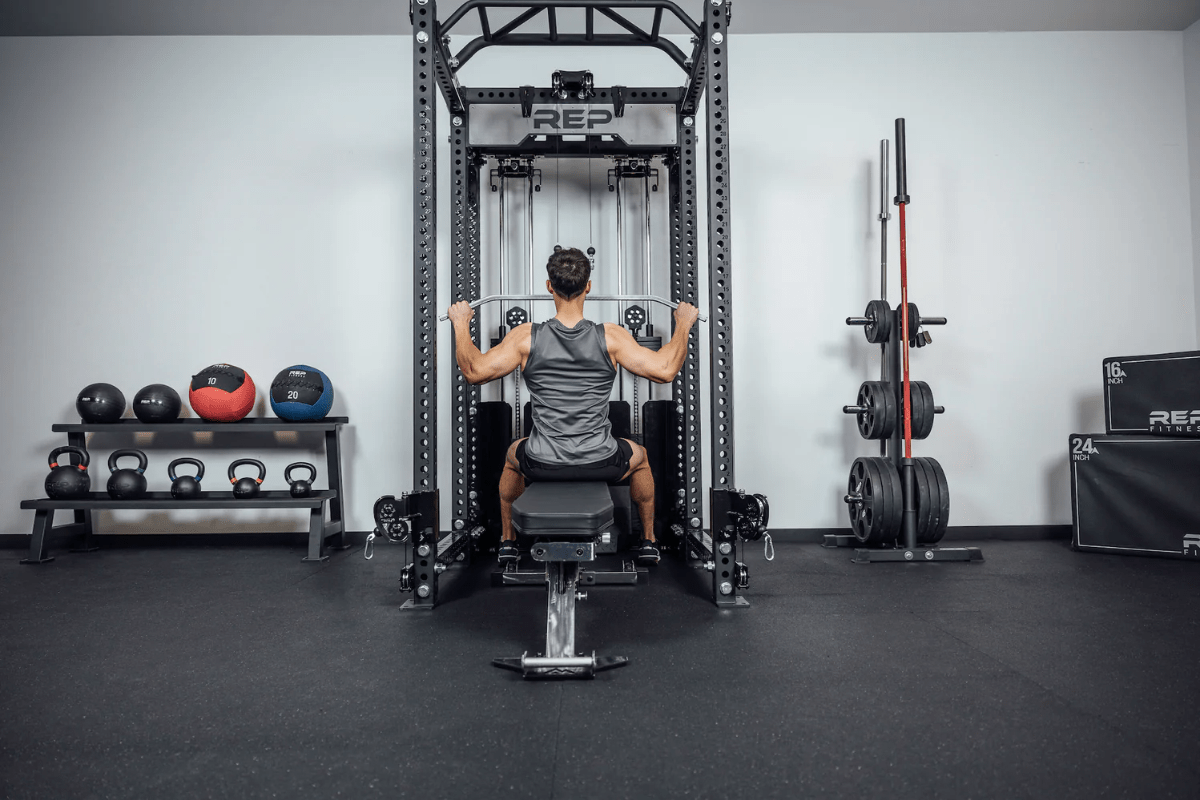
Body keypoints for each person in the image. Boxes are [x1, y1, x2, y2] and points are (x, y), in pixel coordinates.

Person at [447, 246, 700, 566]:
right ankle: (648, 539)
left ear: (549, 286)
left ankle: (508, 541)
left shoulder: (526, 337)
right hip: (601, 458)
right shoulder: (612, 337)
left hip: (541, 461)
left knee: (513, 455)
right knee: (641, 458)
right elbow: (665, 371)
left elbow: (474, 371)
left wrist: (460, 322)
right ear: (588, 286)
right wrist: (683, 323)